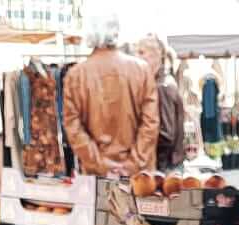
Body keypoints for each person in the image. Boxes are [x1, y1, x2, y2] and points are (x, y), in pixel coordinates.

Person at [63, 13, 157, 175]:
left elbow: (73, 128)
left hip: (97, 177)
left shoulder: (76, 75)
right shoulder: (141, 70)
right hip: (140, 177)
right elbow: (150, 124)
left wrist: (99, 163)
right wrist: (133, 163)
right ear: (116, 31)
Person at [136, 35, 185, 171]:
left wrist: (137, 136)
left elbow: (166, 134)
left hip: (164, 167)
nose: (137, 57)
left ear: (156, 55)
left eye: (141, 52)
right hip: (166, 164)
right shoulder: (160, 83)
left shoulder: (161, 86)